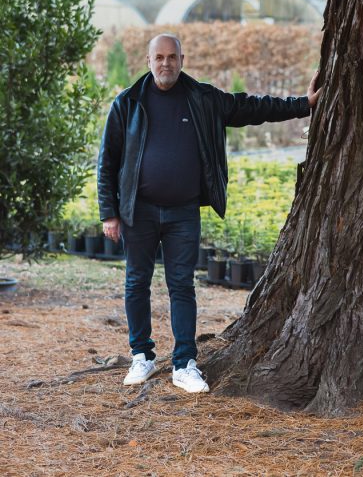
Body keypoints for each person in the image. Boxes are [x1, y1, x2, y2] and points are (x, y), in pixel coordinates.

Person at [97, 34, 321, 393]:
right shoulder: (127, 103)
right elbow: (106, 161)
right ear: (148, 59)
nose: (166, 63)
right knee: (136, 283)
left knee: (182, 285)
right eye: (159, 57)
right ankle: (142, 355)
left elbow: (252, 107)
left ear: (182, 59)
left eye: (172, 57)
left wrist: (303, 104)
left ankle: (184, 362)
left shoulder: (202, 98)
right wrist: (110, 212)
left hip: (184, 212)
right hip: (137, 212)